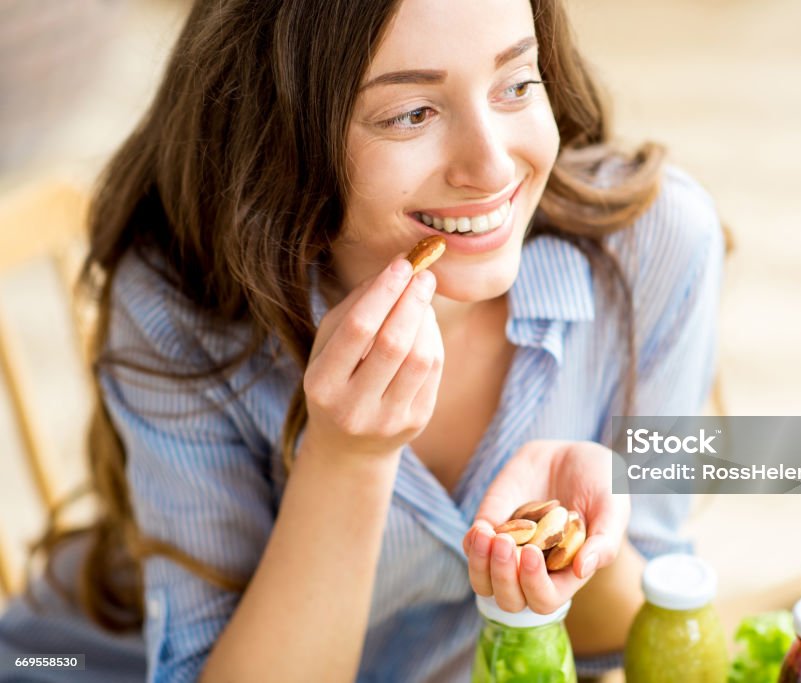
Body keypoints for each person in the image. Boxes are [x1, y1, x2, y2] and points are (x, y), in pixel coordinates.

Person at [0, 0, 725, 681]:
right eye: (411, 113)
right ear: (277, 135)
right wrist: (346, 458)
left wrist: (576, 545)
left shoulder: (659, 247)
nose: (493, 167)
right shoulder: (178, 306)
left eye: (516, 83)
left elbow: (634, 628)